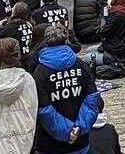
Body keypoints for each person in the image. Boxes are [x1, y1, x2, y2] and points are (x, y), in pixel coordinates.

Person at [32, 25, 102, 154]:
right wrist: (78, 128)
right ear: (66, 41)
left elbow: (44, 109)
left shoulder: (40, 72)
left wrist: (66, 132)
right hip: (80, 140)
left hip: (50, 143)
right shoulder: (81, 65)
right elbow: (93, 100)